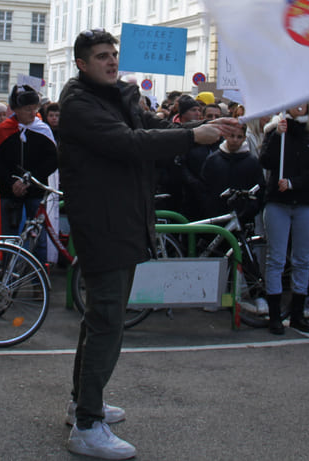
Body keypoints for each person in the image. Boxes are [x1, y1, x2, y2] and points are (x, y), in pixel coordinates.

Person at [59, 29, 233, 459]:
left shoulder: (117, 95)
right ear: (82, 64)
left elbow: (151, 126)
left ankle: (83, 403)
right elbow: (130, 143)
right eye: (101, 56)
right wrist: (195, 136)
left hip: (123, 220)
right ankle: (86, 426)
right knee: (107, 323)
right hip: (104, 224)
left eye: (113, 54)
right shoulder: (80, 104)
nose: (111, 61)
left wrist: (204, 125)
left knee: (102, 319)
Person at [258, 101, 309, 334]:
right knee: (276, 258)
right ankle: (275, 314)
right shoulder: (275, 130)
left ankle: (298, 312)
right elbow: (266, 161)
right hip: (278, 202)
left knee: (302, 259)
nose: (297, 107)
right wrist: (276, 135)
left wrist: (294, 183)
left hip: (306, 202)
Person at [0, 85, 56, 252]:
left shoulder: (43, 130)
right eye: (27, 109)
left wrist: (31, 180)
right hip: (9, 192)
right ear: (16, 110)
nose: (33, 113)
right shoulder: (4, 130)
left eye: (35, 109)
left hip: (35, 191)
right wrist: (12, 182)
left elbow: (53, 160)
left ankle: (37, 276)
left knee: (38, 239)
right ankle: (9, 275)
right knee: (9, 239)